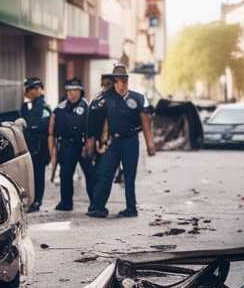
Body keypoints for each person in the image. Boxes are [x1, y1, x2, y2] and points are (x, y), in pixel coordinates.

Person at [87, 64, 156, 219]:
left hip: (131, 141)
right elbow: (103, 122)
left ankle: (131, 208)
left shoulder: (138, 98)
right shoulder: (106, 98)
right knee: (105, 173)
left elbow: (145, 122)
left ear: (127, 80)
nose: (121, 84)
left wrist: (150, 144)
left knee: (129, 176)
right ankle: (98, 207)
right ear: (114, 82)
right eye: (117, 81)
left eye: (124, 80)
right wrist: (100, 141)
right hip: (113, 142)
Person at [48, 77, 95, 211]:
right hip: (67, 145)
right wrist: (53, 150)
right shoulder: (59, 108)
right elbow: (52, 131)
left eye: (75, 90)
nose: (72, 94)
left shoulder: (87, 107)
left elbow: (92, 129)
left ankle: (95, 203)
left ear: (80, 92)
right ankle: (66, 203)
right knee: (65, 175)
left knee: (90, 175)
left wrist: (89, 145)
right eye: (69, 91)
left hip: (84, 144)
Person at [20, 77, 52, 213]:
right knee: (30, 176)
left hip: (40, 147)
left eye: (29, 89)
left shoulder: (44, 107)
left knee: (38, 175)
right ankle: (31, 200)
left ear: (38, 90)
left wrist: (27, 125)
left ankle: (37, 201)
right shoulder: (27, 106)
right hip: (29, 146)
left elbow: (40, 125)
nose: (26, 92)